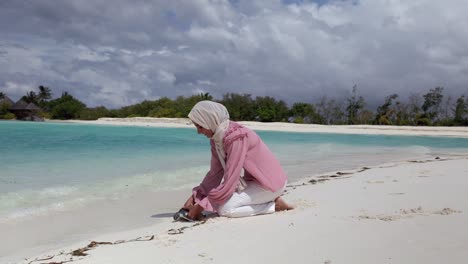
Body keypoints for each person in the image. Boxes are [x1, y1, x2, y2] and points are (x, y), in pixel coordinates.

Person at [183, 100, 293, 219]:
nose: (198, 132)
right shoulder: (217, 139)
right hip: (254, 181)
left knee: (224, 209)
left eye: (200, 126)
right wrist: (196, 197)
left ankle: (274, 206)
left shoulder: (236, 137)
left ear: (211, 121)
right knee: (219, 202)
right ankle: (266, 201)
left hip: (270, 184)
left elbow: (231, 178)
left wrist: (201, 206)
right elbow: (215, 173)